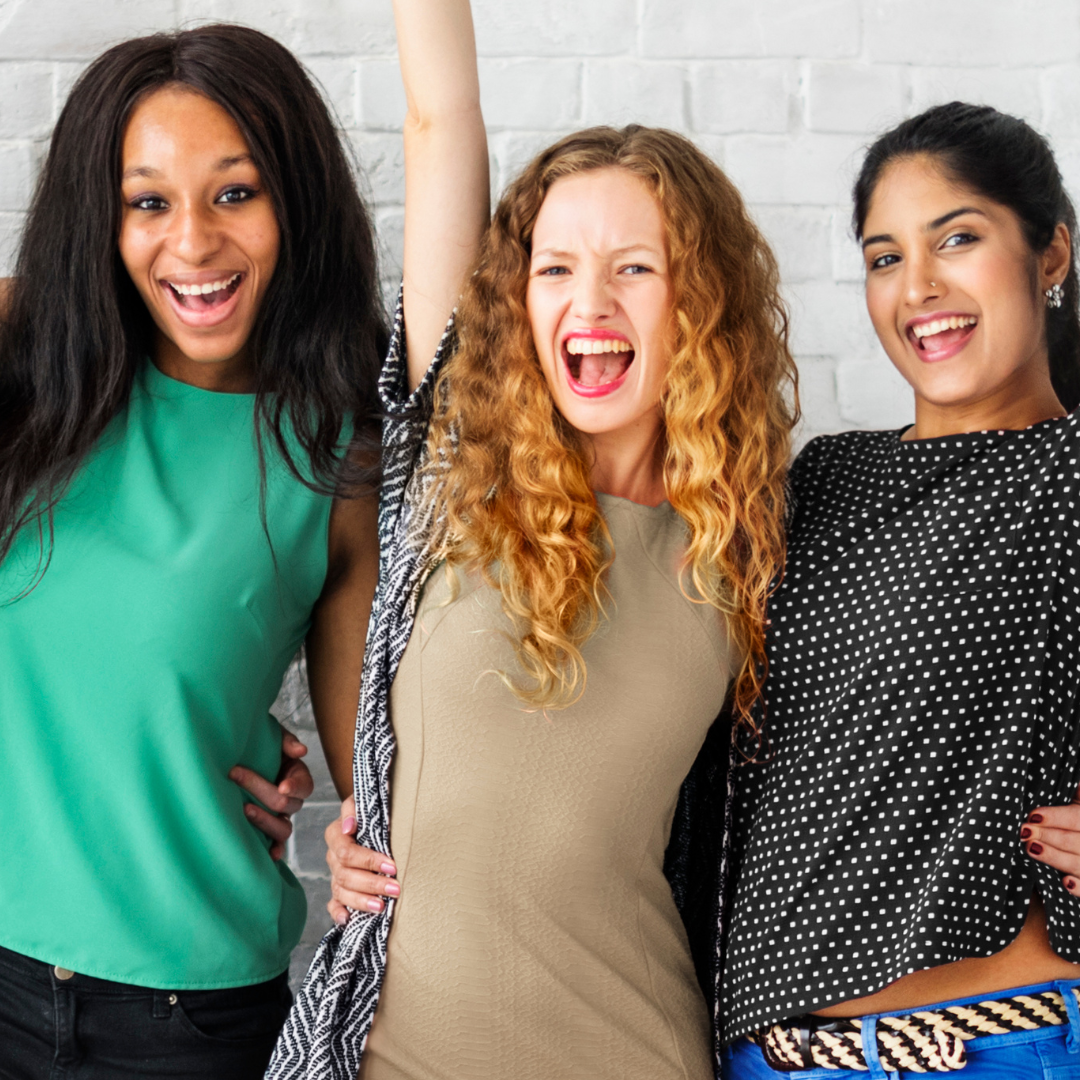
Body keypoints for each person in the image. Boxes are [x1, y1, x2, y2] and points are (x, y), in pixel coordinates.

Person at [268, 1, 796, 1078]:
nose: (587, 301)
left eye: (634, 268)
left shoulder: (749, 545)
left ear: (700, 302)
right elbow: (438, 118)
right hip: (399, 1052)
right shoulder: (455, 464)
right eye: (553, 267)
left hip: (631, 1046)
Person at [0, 24, 382, 1080]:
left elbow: (376, 784)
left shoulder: (332, 454)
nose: (194, 245)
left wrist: (353, 841)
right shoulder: (26, 368)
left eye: (235, 193)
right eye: (148, 201)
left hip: (183, 1021)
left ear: (295, 203)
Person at [721, 102, 1080, 1079]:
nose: (917, 287)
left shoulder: (1067, 472)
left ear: (1051, 255)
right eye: (885, 258)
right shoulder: (824, 482)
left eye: (957, 239)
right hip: (771, 1056)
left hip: (999, 1044)